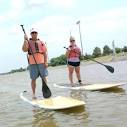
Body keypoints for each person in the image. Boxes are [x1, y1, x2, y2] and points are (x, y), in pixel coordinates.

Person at [22, 28, 48, 99]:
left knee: (44, 78)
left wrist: (45, 62)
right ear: (30, 34)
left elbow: (45, 53)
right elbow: (24, 50)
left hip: (42, 63)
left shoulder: (41, 42)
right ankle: (33, 94)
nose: (34, 34)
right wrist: (25, 40)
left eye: (35, 32)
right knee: (33, 79)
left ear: (37, 33)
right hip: (32, 64)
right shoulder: (27, 42)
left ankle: (45, 92)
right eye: (32, 33)